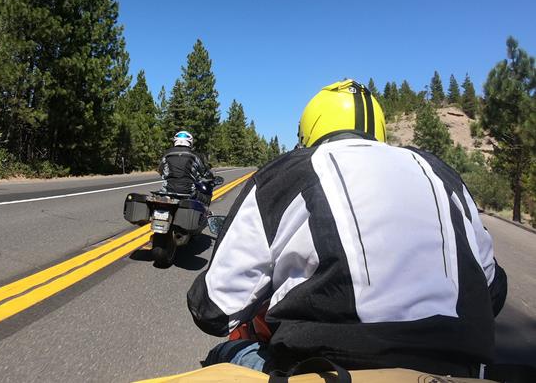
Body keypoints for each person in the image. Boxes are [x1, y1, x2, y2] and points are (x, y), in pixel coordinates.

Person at [187, 79, 507, 377]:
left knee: (225, 353)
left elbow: (213, 309)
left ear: (309, 131)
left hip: (324, 368)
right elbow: (493, 289)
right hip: (457, 371)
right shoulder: (442, 173)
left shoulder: (288, 172)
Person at [158, 131, 215, 204]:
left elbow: (160, 170)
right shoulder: (195, 155)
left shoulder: (166, 153)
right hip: (188, 192)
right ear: (190, 142)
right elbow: (204, 172)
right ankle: (205, 214)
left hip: (167, 190)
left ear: (175, 141)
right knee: (206, 198)